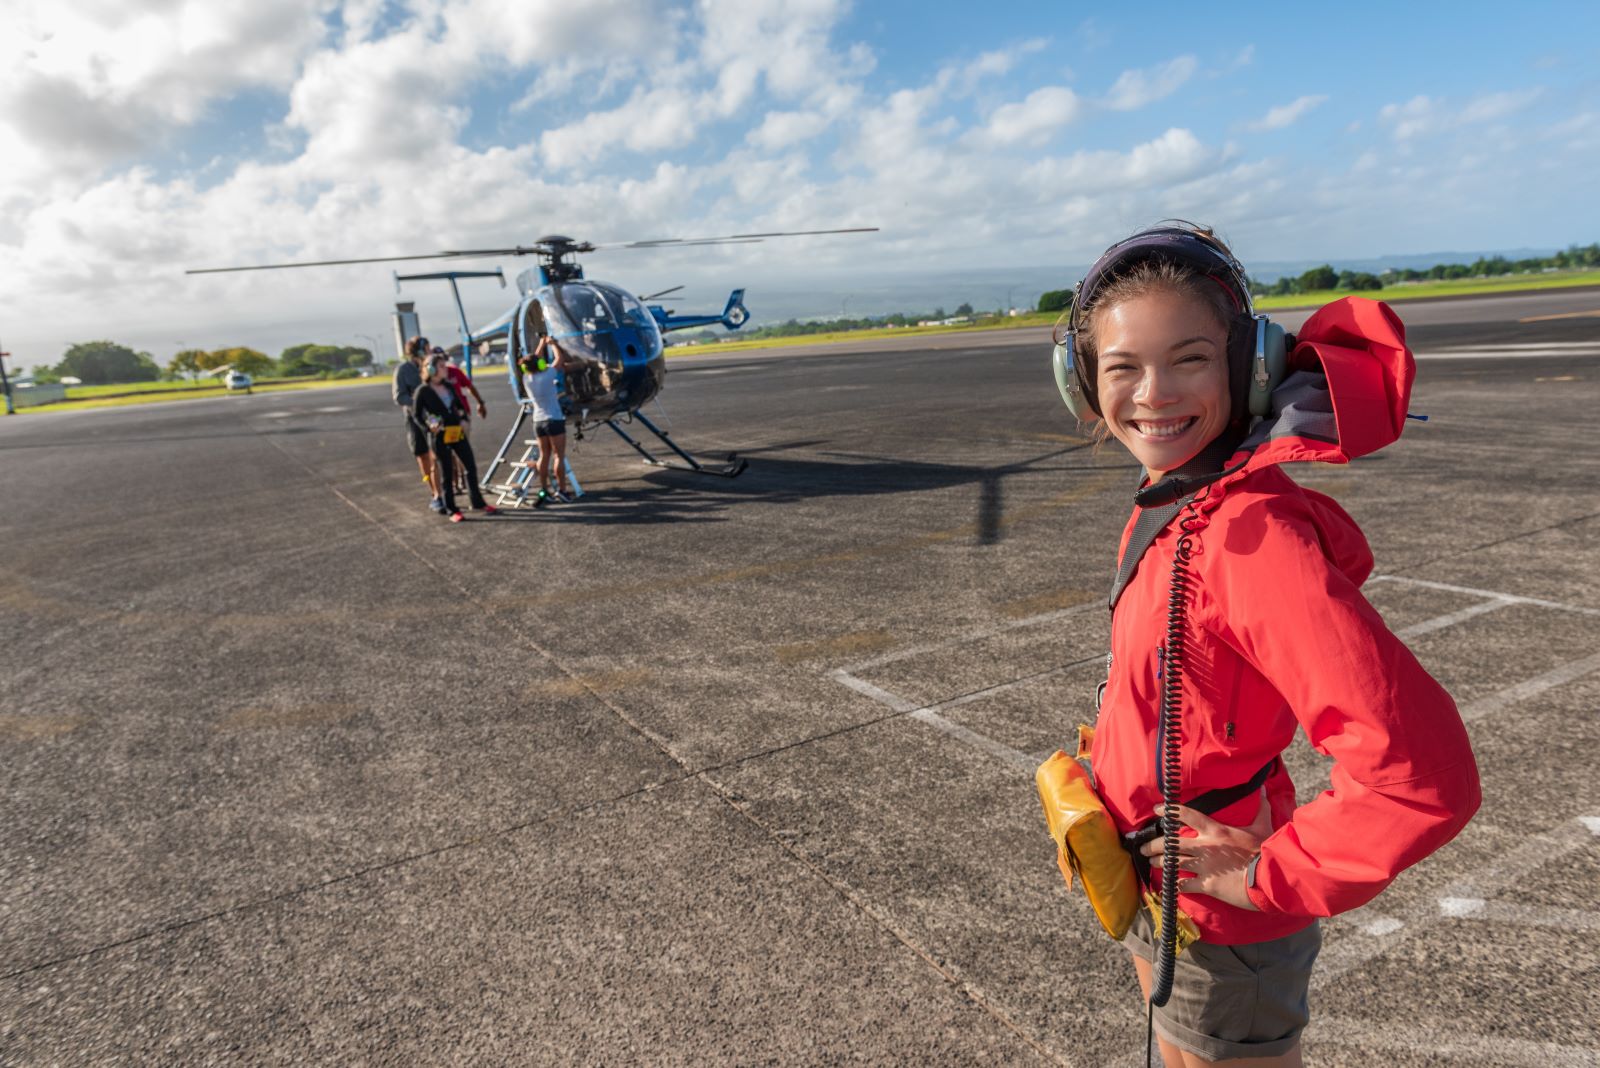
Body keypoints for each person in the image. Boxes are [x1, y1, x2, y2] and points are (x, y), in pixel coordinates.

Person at [1055, 223, 1480, 1066]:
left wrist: (1268, 877)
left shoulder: (1251, 537)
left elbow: (1423, 776)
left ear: (1248, 368)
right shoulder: (1172, 499)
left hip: (1227, 922)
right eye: (1122, 367)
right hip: (1159, 886)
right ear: (1080, 383)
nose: (1154, 393)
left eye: (1190, 359)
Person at [412, 352, 497, 522]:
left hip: (456, 431)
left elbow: (458, 405)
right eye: (442, 366)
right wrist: (429, 427)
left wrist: (464, 419)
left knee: (470, 466)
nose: (446, 369)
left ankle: (478, 502)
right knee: (447, 473)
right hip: (439, 436)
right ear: (431, 369)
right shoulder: (422, 391)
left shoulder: (449, 386)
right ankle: (452, 509)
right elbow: (417, 415)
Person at [520, 332, 575, 503]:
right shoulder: (548, 374)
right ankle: (562, 490)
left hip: (538, 421)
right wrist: (552, 344)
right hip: (554, 419)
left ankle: (544, 490)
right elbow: (560, 359)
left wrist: (541, 344)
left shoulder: (526, 378)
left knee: (544, 456)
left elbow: (535, 360)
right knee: (559, 456)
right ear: (541, 364)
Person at [394, 335, 442, 513]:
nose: (430, 351)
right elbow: (399, 396)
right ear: (420, 350)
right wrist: (418, 402)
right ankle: (434, 493)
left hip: (433, 416)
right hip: (415, 417)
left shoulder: (430, 366)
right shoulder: (403, 369)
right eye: (427, 348)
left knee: (438, 451)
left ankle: (445, 489)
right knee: (422, 455)